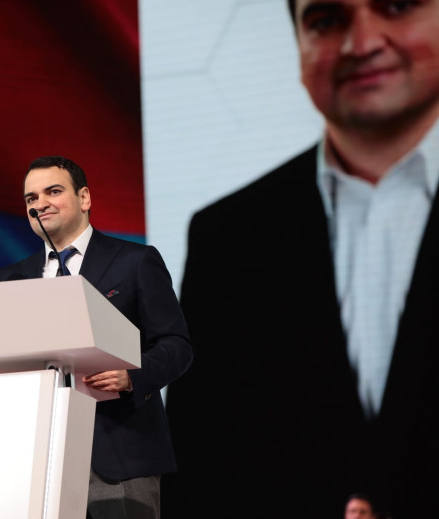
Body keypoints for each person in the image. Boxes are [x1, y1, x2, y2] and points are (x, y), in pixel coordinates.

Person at [165, 0, 439, 518]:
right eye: (327, 20)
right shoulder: (228, 235)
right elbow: (198, 472)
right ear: (299, 45)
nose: (363, 43)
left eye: (396, 5)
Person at [0, 156, 194, 518]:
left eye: (53, 191)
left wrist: (133, 376)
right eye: (31, 198)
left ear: (84, 198)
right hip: (37, 461)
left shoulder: (134, 260)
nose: (40, 204)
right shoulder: (13, 277)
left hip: (119, 454)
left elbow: (176, 345)